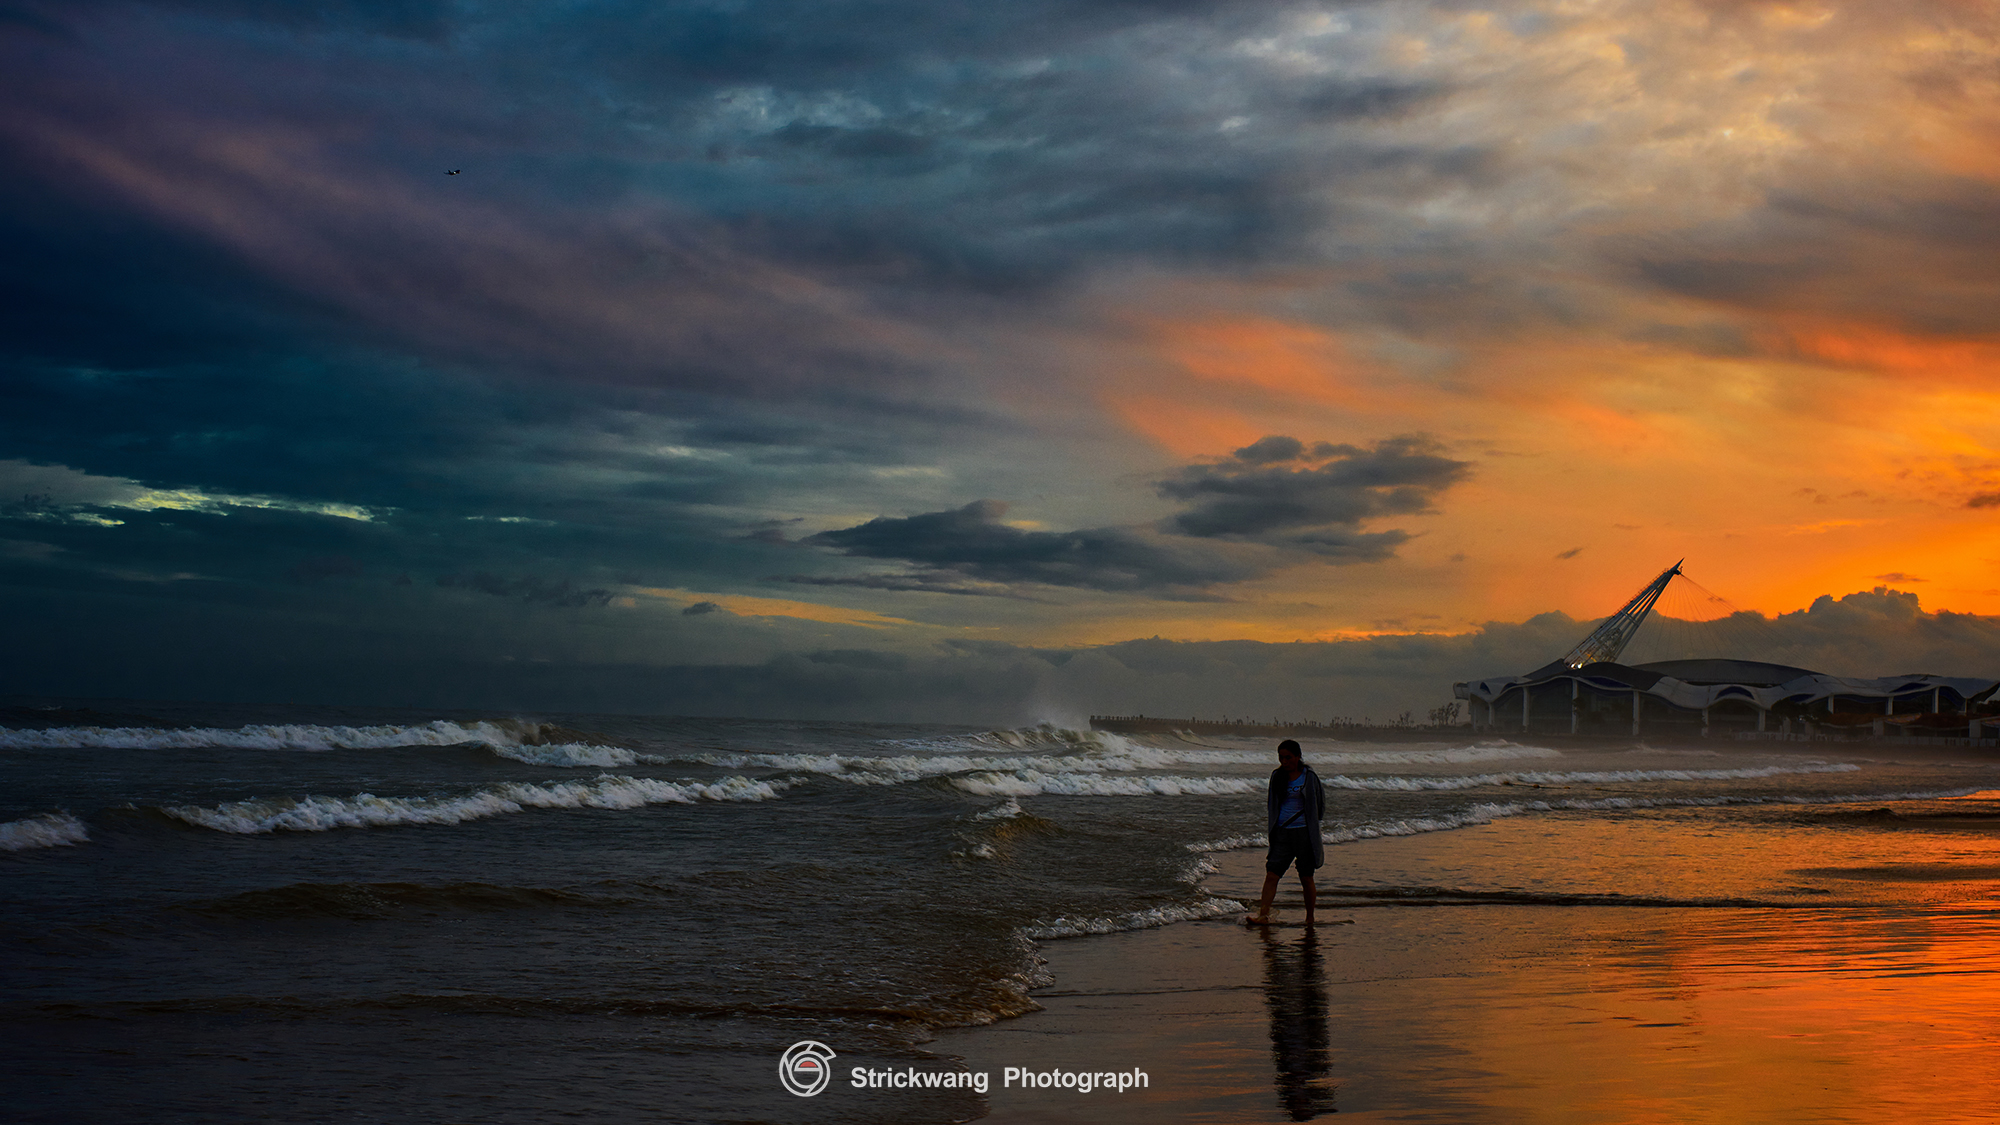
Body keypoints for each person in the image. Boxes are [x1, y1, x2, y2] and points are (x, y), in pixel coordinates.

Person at [1247, 739, 1324, 928]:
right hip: (1282, 832)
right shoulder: (1277, 776)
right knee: (1272, 874)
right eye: (1281, 757)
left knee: (1306, 877)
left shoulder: (1309, 777)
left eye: (1288, 757)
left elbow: (1320, 805)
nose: (1284, 761)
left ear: (1298, 757)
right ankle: (1263, 916)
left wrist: (1311, 825)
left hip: (1304, 833)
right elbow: (1272, 804)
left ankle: (1310, 918)